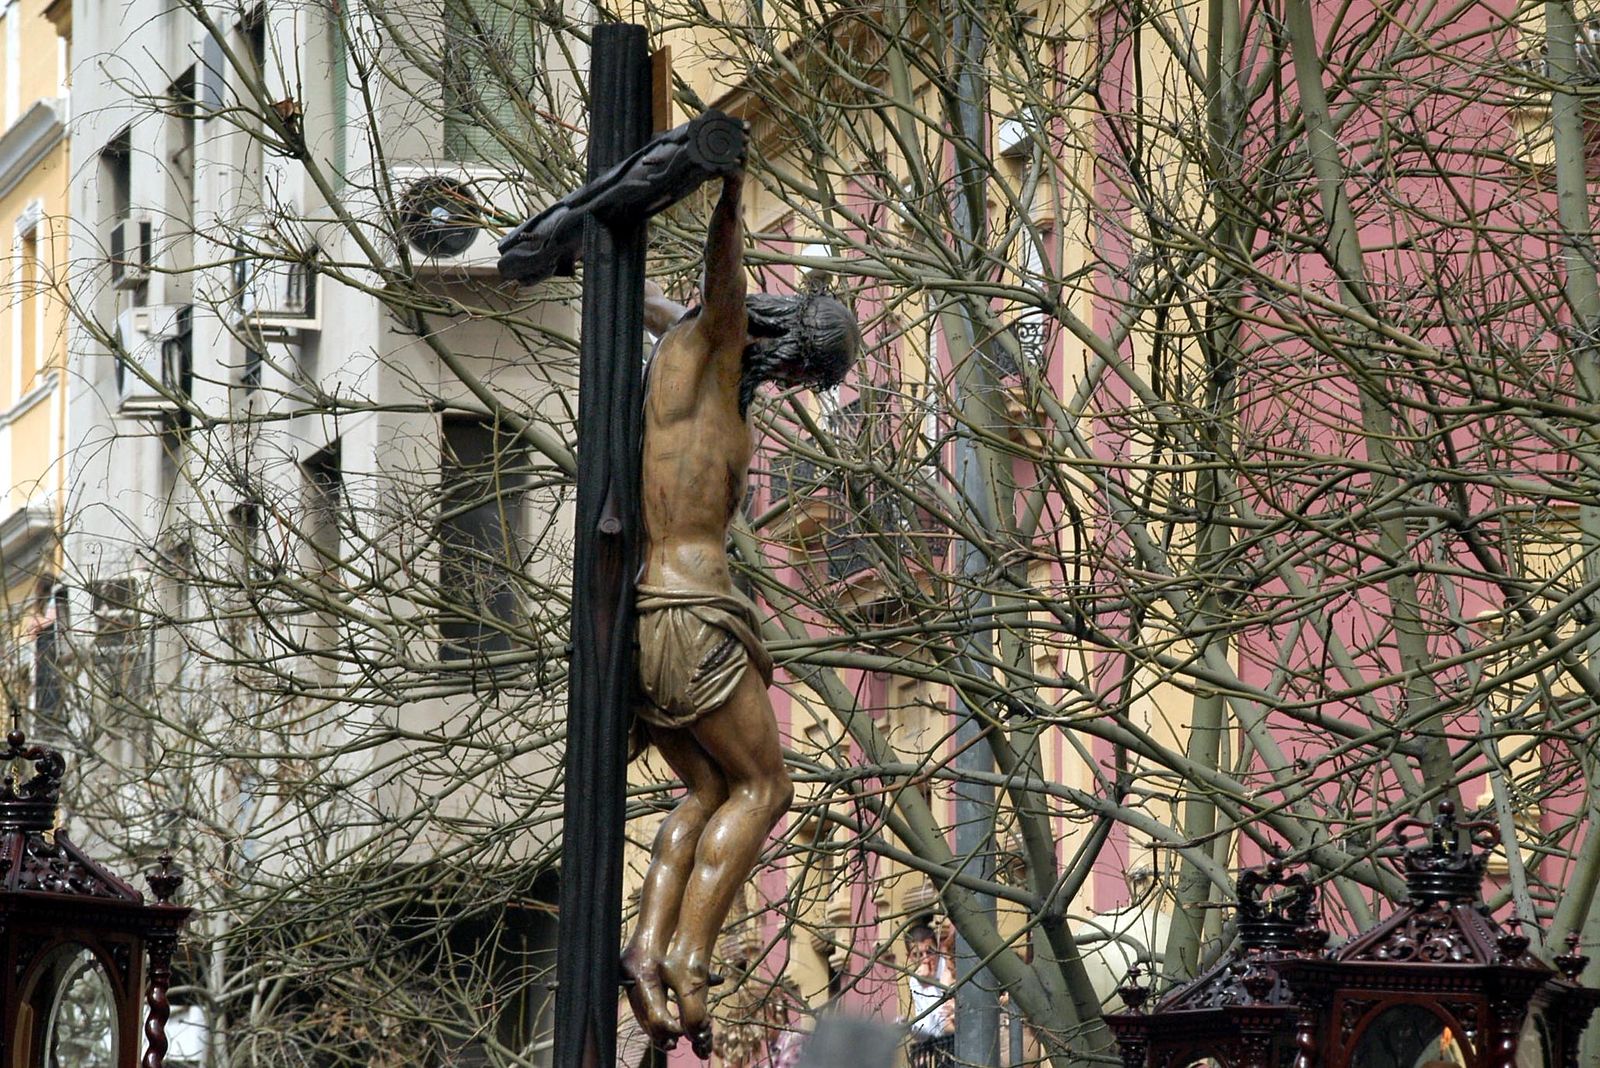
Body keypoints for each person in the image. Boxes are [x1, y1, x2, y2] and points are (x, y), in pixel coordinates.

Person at [618, 168, 861, 1059]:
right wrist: (729, 182)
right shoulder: (718, 341)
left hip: (650, 616)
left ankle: (647, 947)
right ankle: (689, 954)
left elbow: (661, 306)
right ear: (781, 335)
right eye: (804, 364)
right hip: (695, 613)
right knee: (768, 788)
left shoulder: (680, 360)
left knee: (711, 788)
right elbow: (723, 286)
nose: (791, 379)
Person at [905, 923, 956, 1068]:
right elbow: (928, 1028)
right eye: (918, 955)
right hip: (939, 1048)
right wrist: (911, 1027)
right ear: (909, 957)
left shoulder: (949, 967)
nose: (926, 959)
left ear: (938, 948)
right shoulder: (915, 980)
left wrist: (930, 985)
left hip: (954, 1044)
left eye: (930, 952)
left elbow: (942, 1025)